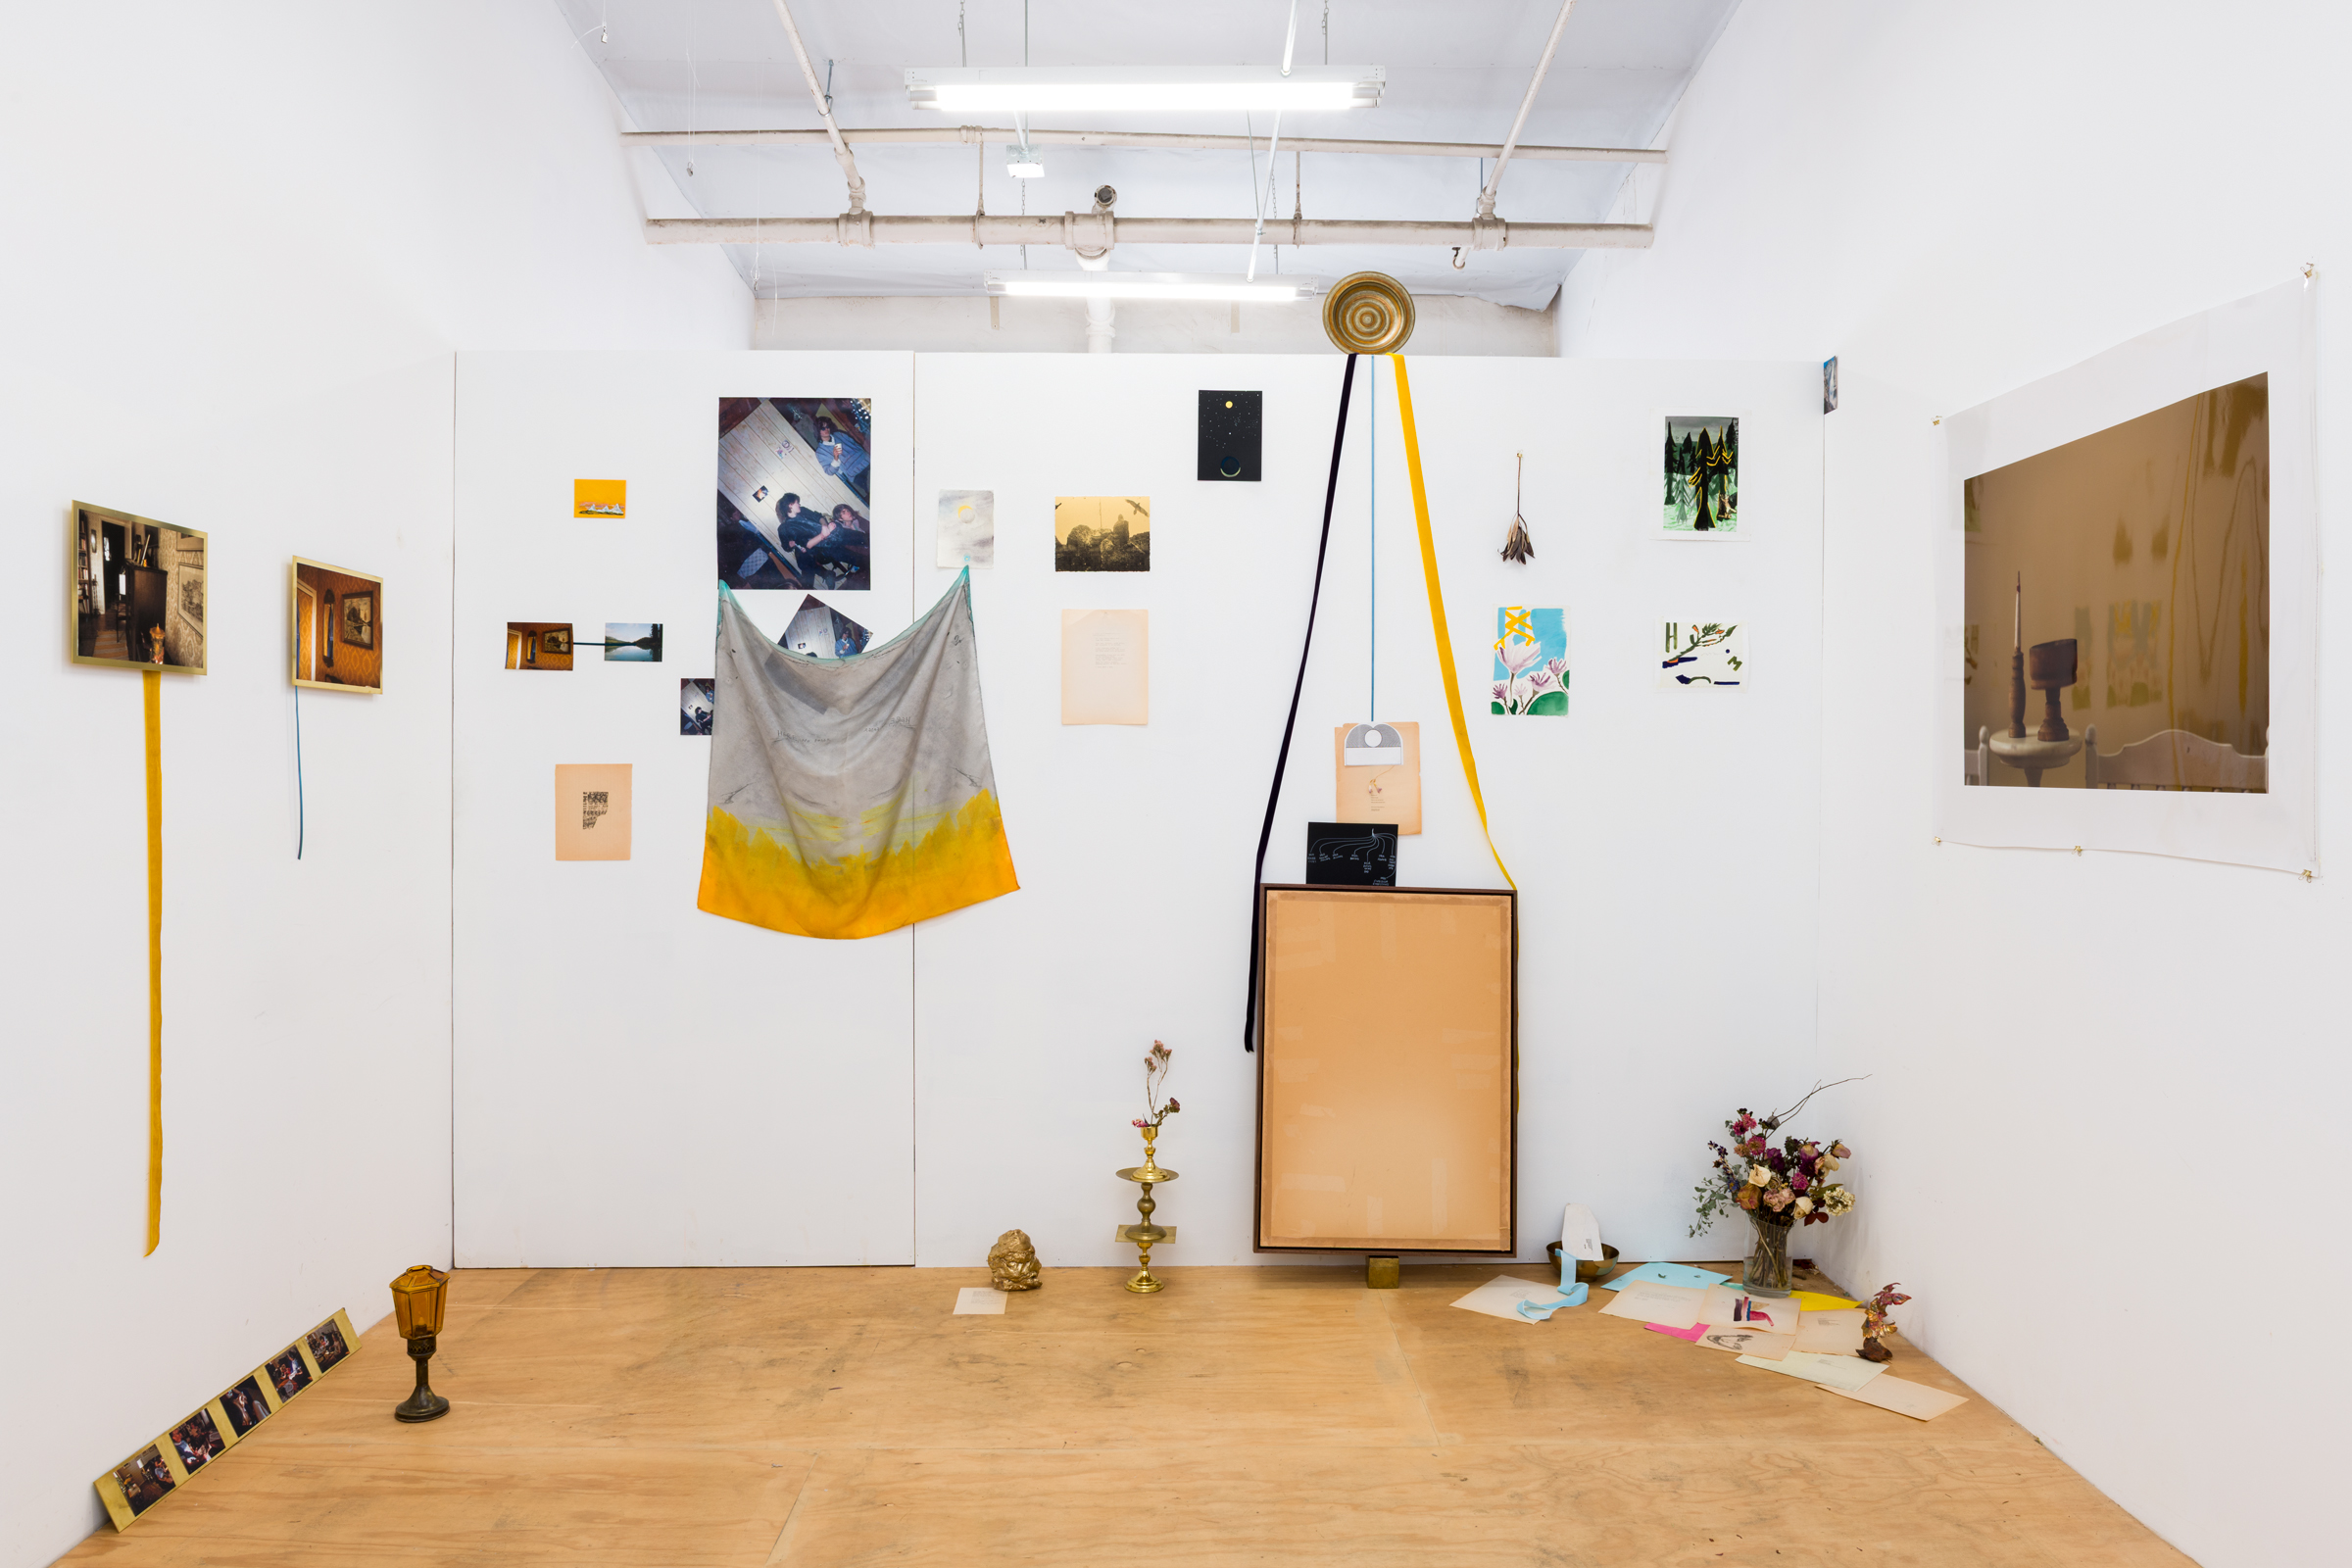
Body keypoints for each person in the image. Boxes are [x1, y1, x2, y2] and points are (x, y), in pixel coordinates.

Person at [813, 417, 868, 489]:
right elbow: (829, 472)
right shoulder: (820, 452)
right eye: (823, 428)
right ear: (818, 431)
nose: (826, 429)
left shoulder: (839, 434)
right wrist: (835, 458)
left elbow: (855, 444)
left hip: (866, 461)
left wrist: (864, 453)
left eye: (827, 427)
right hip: (855, 473)